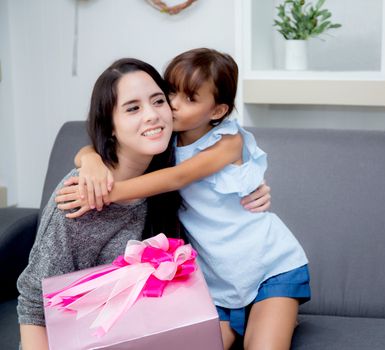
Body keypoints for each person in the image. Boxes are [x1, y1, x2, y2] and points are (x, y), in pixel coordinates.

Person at [57, 48, 310, 350]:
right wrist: (90, 161)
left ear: (217, 111)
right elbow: (100, 145)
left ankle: (274, 311)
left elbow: (177, 178)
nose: (173, 105)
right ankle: (258, 317)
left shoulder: (228, 141)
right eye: (171, 92)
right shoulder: (163, 141)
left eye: (189, 99)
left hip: (270, 267)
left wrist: (104, 193)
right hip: (217, 283)